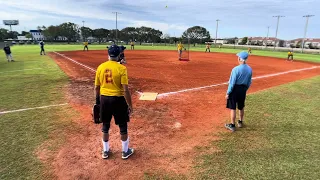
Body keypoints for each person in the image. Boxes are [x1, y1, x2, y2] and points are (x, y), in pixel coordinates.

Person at [94, 44, 134, 160]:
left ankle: (105, 151)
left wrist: (97, 102)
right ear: (119, 55)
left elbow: (96, 87)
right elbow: (125, 90)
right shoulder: (121, 68)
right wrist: (130, 105)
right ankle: (125, 151)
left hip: (104, 99)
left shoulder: (100, 67)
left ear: (108, 54)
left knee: (105, 125)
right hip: (118, 100)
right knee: (123, 126)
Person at [225, 51, 252, 132]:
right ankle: (240, 122)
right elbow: (249, 82)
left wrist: (228, 93)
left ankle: (232, 125)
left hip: (235, 90)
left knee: (233, 107)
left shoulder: (235, 69)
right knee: (241, 106)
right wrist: (245, 90)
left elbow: (232, 83)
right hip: (243, 89)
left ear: (240, 58)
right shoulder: (249, 69)